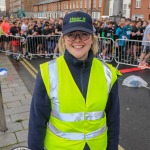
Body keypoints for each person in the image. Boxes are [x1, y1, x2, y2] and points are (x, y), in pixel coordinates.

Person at [28, 11, 121, 150]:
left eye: (84, 34)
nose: (77, 40)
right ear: (64, 39)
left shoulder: (108, 73)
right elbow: (37, 122)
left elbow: (113, 121)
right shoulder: (47, 72)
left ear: (92, 39)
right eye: (71, 35)